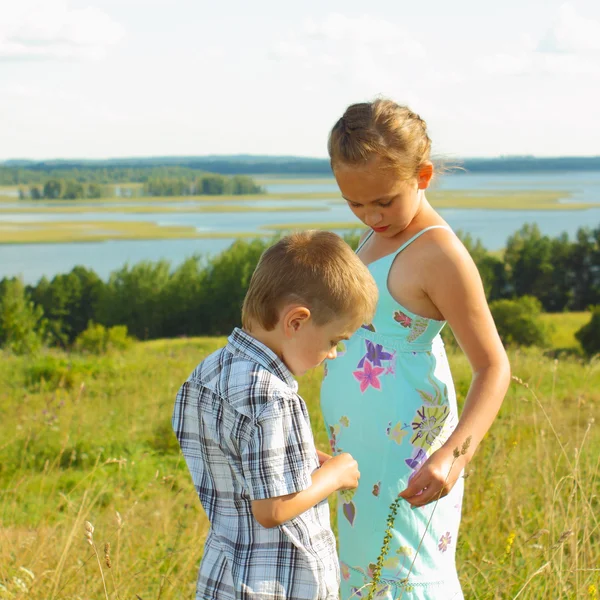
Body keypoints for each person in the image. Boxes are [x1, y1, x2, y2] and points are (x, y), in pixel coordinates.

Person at [320, 99, 511, 600]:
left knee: (403, 576)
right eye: (354, 204)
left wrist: (453, 457)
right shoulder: (372, 237)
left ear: (422, 175)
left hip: (412, 459)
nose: (370, 215)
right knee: (365, 576)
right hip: (358, 455)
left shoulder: (439, 253)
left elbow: (494, 367)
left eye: (383, 201)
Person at [173, 230, 378, 600]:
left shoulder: (208, 372)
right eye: (334, 341)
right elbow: (273, 509)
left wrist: (301, 457)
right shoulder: (273, 397)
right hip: (280, 582)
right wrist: (333, 476)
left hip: (224, 572)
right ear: (296, 322)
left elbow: (233, 454)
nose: (333, 354)